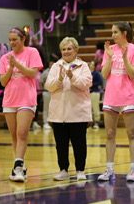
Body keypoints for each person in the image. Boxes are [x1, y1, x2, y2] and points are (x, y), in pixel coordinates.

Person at [97, 21, 134, 182]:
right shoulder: (109, 50)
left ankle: (133, 169)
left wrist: (125, 59)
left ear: (124, 33)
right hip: (111, 96)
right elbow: (104, 74)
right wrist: (108, 57)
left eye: (115, 32)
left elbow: (132, 74)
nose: (113, 35)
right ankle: (109, 169)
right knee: (109, 134)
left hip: (128, 97)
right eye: (112, 32)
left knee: (131, 133)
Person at [0, 27, 43, 182]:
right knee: (14, 136)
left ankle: (17, 168)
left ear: (23, 39)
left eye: (14, 40)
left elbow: (32, 74)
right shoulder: (5, 58)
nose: (12, 43)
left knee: (22, 133)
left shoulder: (32, 52)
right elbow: (3, 81)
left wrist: (17, 63)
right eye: (10, 40)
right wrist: (11, 67)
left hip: (27, 99)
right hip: (10, 100)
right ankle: (20, 165)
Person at [45, 37, 92, 181]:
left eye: (69, 48)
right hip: (58, 114)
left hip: (78, 113)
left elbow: (86, 83)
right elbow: (48, 86)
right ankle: (63, 170)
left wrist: (72, 77)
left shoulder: (83, 66)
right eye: (63, 49)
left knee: (79, 144)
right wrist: (59, 79)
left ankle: (80, 170)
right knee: (61, 144)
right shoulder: (56, 66)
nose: (66, 52)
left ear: (76, 50)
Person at [40, 58, 56, 130]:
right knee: (46, 108)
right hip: (46, 92)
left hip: (55, 93)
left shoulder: (57, 71)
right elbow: (41, 82)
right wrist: (43, 89)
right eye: (50, 63)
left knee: (54, 108)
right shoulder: (45, 72)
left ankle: (53, 122)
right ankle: (45, 122)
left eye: (53, 63)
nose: (51, 65)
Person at [89, 61, 103, 129]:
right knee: (88, 109)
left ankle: (96, 122)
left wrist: (91, 85)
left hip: (95, 92)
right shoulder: (87, 73)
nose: (91, 65)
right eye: (90, 64)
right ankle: (89, 123)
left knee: (95, 108)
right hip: (88, 93)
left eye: (92, 64)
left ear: (94, 66)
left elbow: (99, 82)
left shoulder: (96, 74)